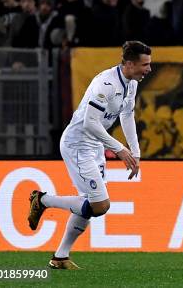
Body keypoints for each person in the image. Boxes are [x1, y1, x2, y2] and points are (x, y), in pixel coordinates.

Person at [27, 41, 152, 269]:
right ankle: (42, 200)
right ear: (130, 64)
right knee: (100, 205)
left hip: (94, 146)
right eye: (145, 65)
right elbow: (90, 123)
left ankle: (60, 257)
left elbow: (127, 116)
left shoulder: (131, 83)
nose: (149, 69)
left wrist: (135, 151)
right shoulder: (106, 83)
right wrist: (120, 149)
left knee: (91, 204)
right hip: (78, 145)